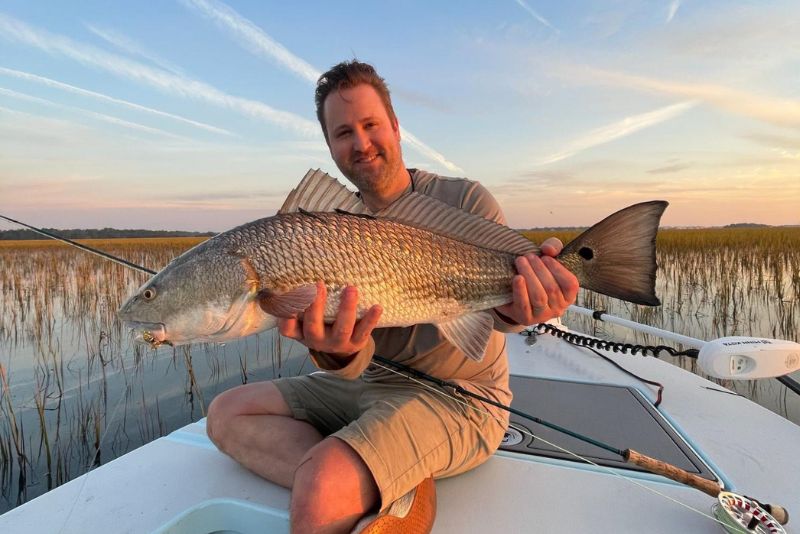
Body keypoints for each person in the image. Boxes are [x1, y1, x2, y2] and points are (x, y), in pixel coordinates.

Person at [206, 60, 579, 534]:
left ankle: (354, 474)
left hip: (460, 398)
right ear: (330, 146)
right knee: (226, 414)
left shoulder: (465, 201)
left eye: (370, 125)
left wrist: (525, 306)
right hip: (363, 387)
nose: (360, 143)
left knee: (322, 487)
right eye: (343, 132)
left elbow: (498, 311)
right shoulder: (322, 225)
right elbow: (353, 360)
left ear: (396, 128)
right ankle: (394, 483)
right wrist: (334, 351)